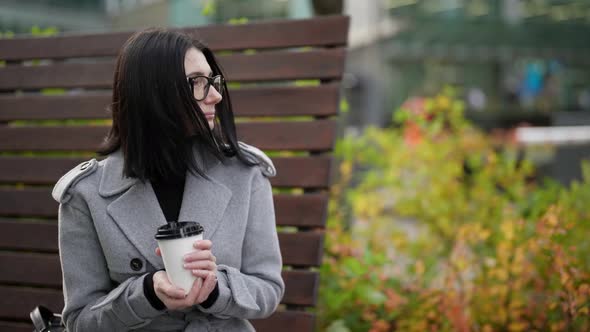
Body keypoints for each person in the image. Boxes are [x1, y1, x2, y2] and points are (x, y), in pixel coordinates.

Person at [51, 28, 285, 331]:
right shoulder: (87, 194)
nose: (215, 95)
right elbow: (80, 320)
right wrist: (147, 293)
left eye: (213, 81)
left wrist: (215, 288)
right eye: (197, 83)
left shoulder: (244, 173)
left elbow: (268, 289)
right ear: (153, 92)